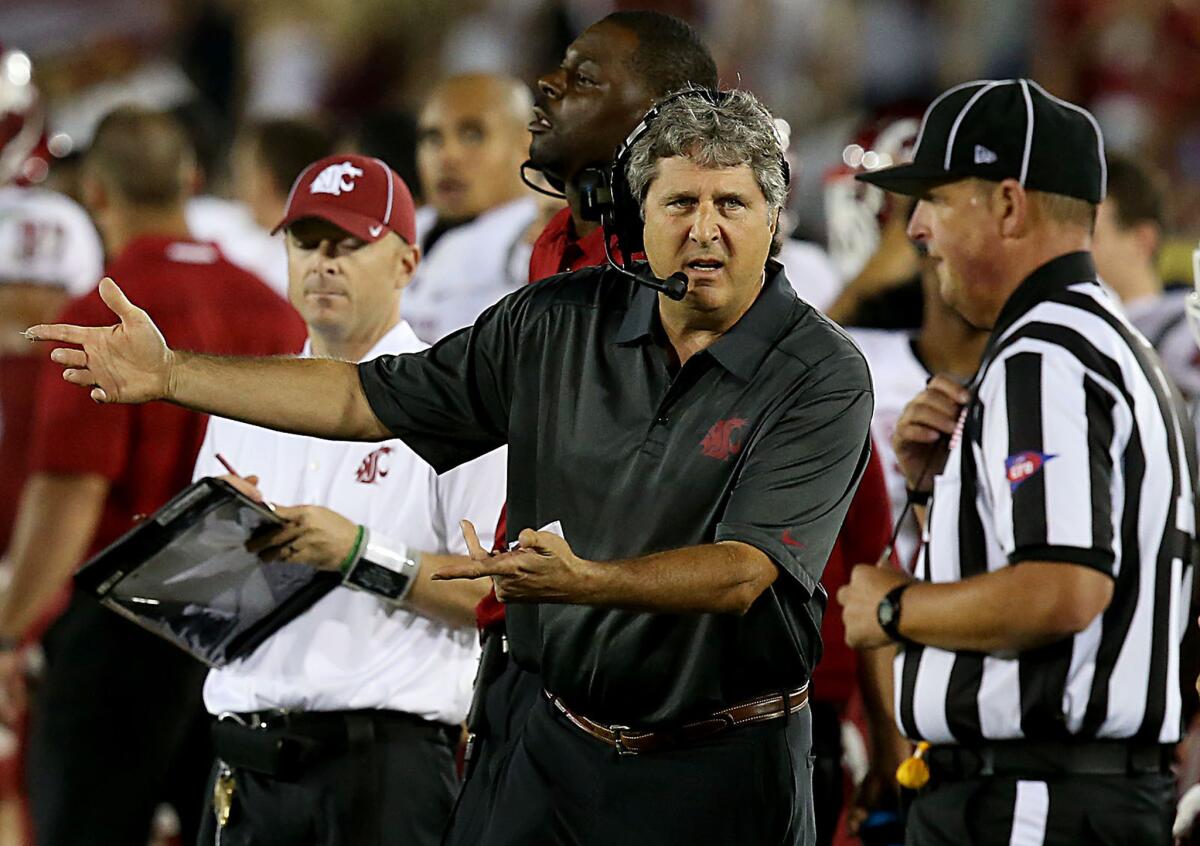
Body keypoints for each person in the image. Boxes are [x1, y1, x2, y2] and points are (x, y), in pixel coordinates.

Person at [30, 87, 872, 846]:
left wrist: (586, 581)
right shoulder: (553, 324)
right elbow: (364, 401)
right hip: (543, 745)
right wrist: (171, 375)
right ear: (637, 214)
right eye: (679, 201)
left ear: (774, 216)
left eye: (733, 202)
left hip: (717, 761)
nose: (704, 228)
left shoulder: (820, 370)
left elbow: (744, 572)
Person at [838, 79, 1191, 845]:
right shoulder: (1106, 343)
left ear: (1007, 205)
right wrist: (939, 493)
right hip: (1063, 791)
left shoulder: (1045, 356)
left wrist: (895, 608)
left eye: (934, 199)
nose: (920, 232)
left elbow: (1066, 588)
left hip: (1033, 797)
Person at [0, 106, 306, 846]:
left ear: (96, 193)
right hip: (241, 618)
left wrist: (10, 633)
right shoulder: (276, 310)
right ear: (193, 180)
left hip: (117, 632)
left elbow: (73, 491)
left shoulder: (97, 314)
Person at [192, 153, 506, 846]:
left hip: (383, 767)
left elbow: (493, 596)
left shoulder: (458, 405)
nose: (323, 263)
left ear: (406, 262)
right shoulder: (243, 403)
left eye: (349, 245)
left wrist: (361, 554)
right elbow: (201, 600)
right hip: (244, 763)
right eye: (307, 243)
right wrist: (213, 542)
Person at [402, 73, 537, 342]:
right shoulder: (393, 231)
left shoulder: (543, 242)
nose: (446, 156)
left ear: (528, 143)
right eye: (433, 138)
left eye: (472, 135)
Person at [188, 117, 335, 298]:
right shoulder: (216, 217)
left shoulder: (297, 267)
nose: (236, 175)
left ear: (265, 180)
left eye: (243, 166)